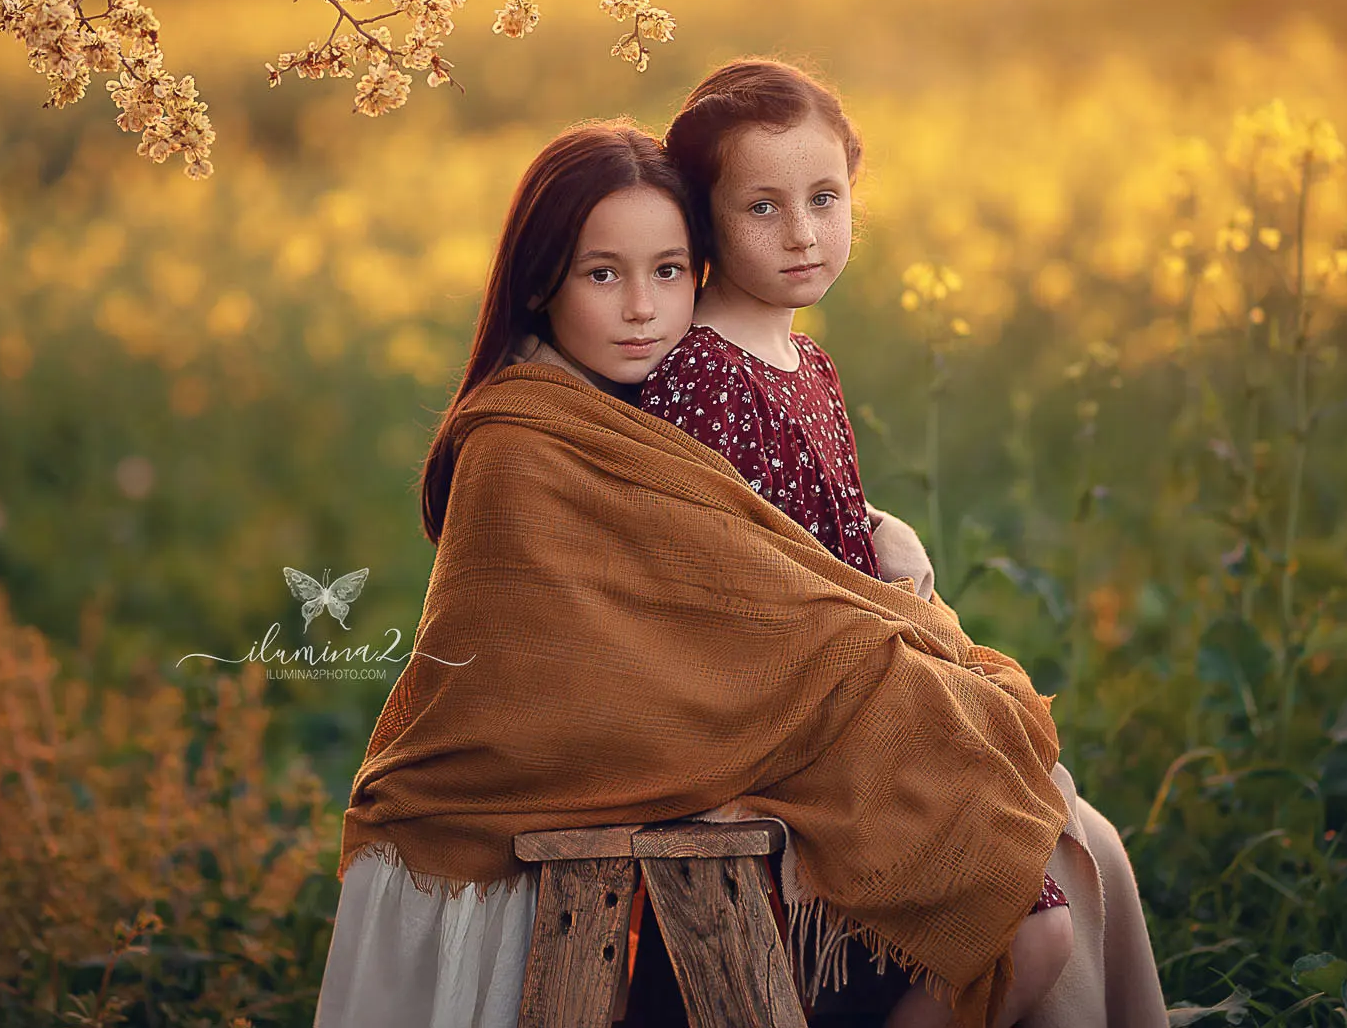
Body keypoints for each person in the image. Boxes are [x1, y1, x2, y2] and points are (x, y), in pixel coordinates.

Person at [317, 120, 1079, 1028]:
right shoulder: (519, 444)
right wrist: (873, 640)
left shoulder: (643, 408)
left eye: (669, 271)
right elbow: (583, 674)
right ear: (539, 281)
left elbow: (741, 580)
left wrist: (875, 564)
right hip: (495, 831)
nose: (642, 306)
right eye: (603, 274)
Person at [642, 58, 1170, 1028]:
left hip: (860, 687)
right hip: (796, 721)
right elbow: (735, 586)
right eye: (761, 207)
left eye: (823, 197)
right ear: (702, 219)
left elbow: (821, 531)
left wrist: (884, 536)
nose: (802, 232)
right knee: (1034, 922)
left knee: (1056, 822)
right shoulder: (703, 378)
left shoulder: (804, 361)